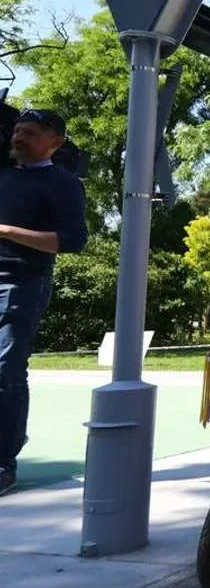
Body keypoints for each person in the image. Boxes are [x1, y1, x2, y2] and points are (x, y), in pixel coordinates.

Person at [0, 109, 88, 496]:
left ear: (56, 142)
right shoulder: (3, 175)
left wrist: (5, 231)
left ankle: (3, 463)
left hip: (21, 282)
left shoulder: (63, 183)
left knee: (5, 369)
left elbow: (71, 241)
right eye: (17, 130)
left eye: (31, 132)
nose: (19, 137)